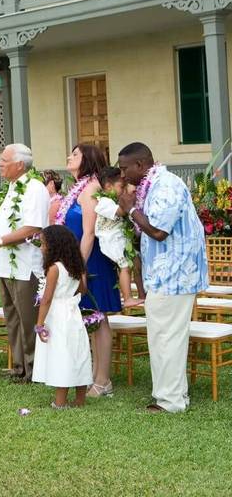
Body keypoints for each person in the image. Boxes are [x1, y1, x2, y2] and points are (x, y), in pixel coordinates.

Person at [117, 142, 208, 413]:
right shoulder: (152, 186)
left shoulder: (166, 185)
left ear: (141, 165)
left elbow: (158, 231)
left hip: (175, 274)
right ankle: (170, 395)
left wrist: (131, 209)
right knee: (161, 336)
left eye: (125, 169)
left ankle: (171, 402)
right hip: (163, 274)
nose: (122, 175)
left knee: (167, 337)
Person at [0, 144, 50, 383]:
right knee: (12, 316)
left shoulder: (35, 188)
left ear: (20, 164)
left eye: (4, 160)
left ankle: (34, 369)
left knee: (27, 317)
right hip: (6, 265)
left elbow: (33, 227)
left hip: (24, 265)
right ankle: (19, 367)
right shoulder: (11, 187)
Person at [56, 143, 118, 398]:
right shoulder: (77, 188)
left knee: (99, 318)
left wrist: (78, 266)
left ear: (88, 160)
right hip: (80, 259)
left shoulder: (92, 187)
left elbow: (89, 232)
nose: (69, 156)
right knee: (89, 319)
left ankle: (103, 380)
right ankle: (94, 374)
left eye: (75, 154)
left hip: (92, 261)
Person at [33, 225, 93, 408]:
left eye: (43, 244)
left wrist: (39, 324)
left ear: (54, 245)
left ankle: (60, 402)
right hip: (72, 312)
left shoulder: (54, 269)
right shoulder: (77, 266)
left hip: (57, 314)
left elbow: (47, 299)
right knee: (78, 353)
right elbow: (82, 289)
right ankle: (80, 400)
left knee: (61, 355)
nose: (42, 248)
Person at [95, 167, 143, 308]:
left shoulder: (115, 199)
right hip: (110, 240)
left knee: (137, 262)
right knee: (125, 266)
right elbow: (121, 211)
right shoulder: (103, 202)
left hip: (120, 238)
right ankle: (127, 298)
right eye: (121, 187)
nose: (123, 190)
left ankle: (142, 294)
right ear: (108, 186)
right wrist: (132, 198)